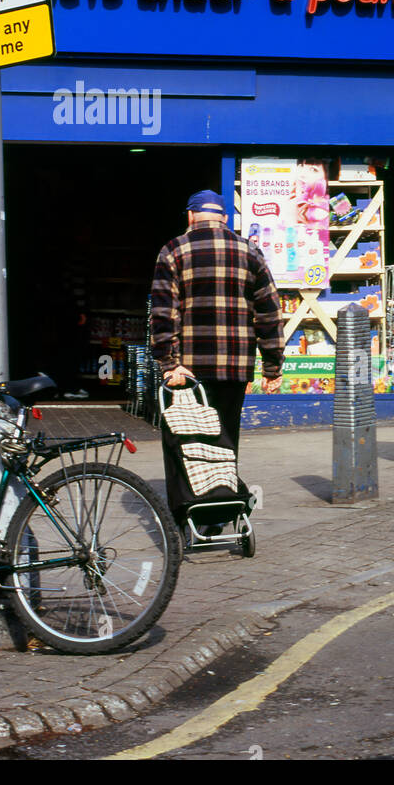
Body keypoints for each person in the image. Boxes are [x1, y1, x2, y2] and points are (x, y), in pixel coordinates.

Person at [150, 190, 283, 530]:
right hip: (234, 367)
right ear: (224, 218)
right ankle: (219, 513)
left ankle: (186, 517)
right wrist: (272, 366)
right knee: (223, 440)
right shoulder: (249, 251)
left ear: (190, 216)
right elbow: (268, 312)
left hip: (187, 372)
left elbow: (164, 314)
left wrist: (168, 363)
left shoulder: (173, 250)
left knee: (183, 441)